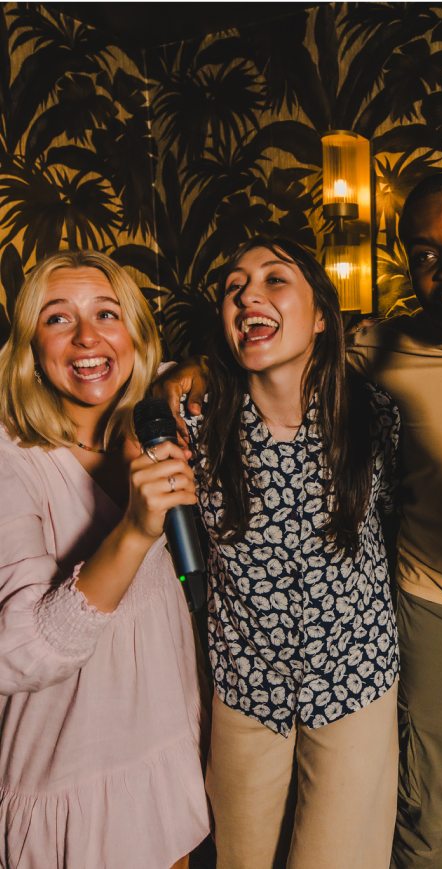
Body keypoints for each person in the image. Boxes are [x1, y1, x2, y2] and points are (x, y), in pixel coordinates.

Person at [158, 184, 442, 869]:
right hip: (347, 652)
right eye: (426, 255)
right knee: (420, 817)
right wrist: (185, 371)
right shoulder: (356, 371)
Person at [181, 237, 401, 869]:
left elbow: (388, 525)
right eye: (233, 287)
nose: (249, 294)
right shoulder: (196, 424)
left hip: (354, 681)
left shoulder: (373, 416)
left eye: (276, 280)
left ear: (321, 315)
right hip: (247, 692)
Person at [0, 250, 209, 869]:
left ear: (135, 335)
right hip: (73, 788)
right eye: (59, 319)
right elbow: (17, 653)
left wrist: (190, 372)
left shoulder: (151, 413)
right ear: (31, 347)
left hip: (166, 758)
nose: (88, 337)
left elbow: (216, 368)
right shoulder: (14, 458)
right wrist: (136, 530)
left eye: (107, 314)